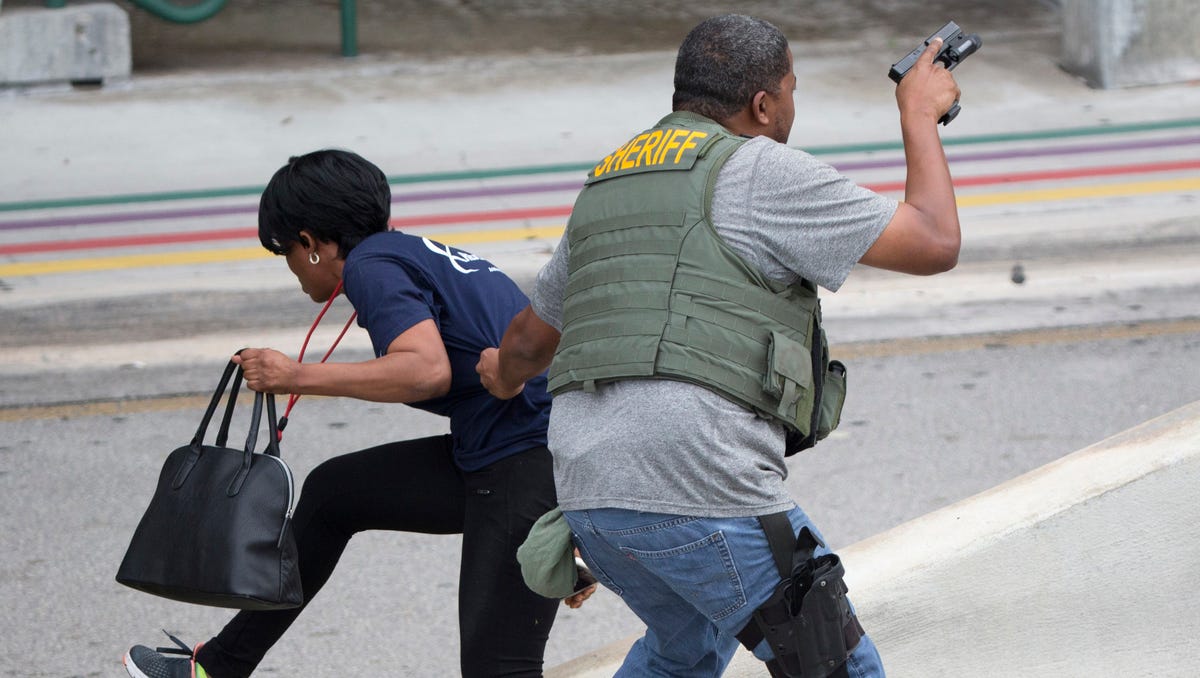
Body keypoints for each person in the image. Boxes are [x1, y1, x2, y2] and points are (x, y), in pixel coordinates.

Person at [476, 14, 962, 678]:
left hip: (590, 497)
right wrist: (918, 115)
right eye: (790, 89)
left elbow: (529, 342)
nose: (792, 105)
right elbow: (933, 241)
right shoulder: (761, 170)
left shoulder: (608, 183)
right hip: (699, 485)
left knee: (684, 650)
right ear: (764, 104)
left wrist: (500, 376)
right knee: (837, 663)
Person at [123, 149, 593, 678]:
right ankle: (217, 666)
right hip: (505, 451)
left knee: (498, 669)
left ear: (311, 243)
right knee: (333, 494)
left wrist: (294, 375)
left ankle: (571, 538)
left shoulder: (371, 267)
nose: (293, 269)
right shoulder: (410, 253)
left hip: (524, 463)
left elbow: (425, 370)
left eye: (287, 253)